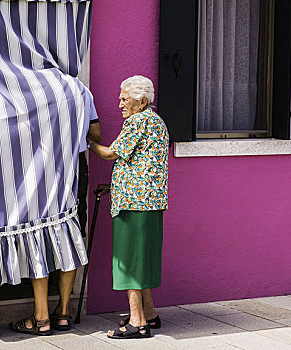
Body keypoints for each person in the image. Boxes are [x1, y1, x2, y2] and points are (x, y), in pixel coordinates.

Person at [88, 75, 169, 339]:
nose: (120, 104)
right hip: (150, 203)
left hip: (134, 204)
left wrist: (85, 141)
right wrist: (113, 186)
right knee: (142, 259)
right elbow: (142, 164)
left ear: (142, 101)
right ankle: (150, 313)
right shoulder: (157, 122)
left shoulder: (137, 121)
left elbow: (112, 153)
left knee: (130, 261)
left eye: (125, 99)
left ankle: (137, 322)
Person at [9, 120, 101, 336]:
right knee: (71, 237)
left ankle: (41, 318)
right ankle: (63, 313)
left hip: (38, 164)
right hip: (74, 166)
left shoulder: (33, 92)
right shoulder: (80, 93)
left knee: (37, 235)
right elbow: (96, 134)